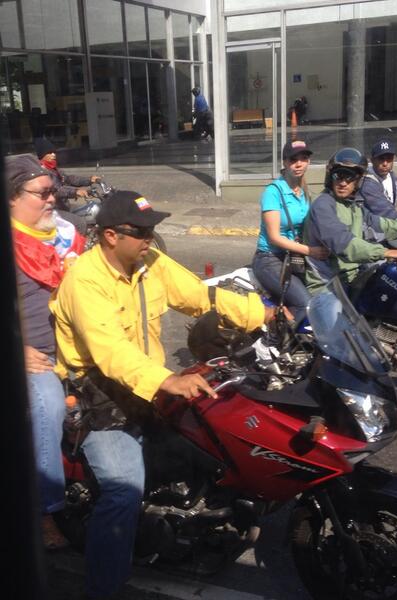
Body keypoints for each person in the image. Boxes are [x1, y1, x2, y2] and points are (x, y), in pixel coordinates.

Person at [51, 190, 276, 599]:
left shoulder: (149, 262)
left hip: (146, 381)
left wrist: (264, 313)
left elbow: (198, 295)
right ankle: (105, 587)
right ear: (109, 236)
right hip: (101, 396)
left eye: (152, 230)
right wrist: (166, 382)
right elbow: (109, 351)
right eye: (139, 232)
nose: (149, 239)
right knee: (123, 492)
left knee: (214, 443)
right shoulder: (84, 280)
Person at [7, 154, 85, 551]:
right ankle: (45, 511)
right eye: (42, 193)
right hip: (35, 357)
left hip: (77, 350)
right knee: (49, 410)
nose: (52, 199)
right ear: (11, 198)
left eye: (53, 191)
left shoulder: (66, 234)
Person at [304, 147, 397, 294]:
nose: (343, 183)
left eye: (349, 178)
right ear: (330, 177)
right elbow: (342, 242)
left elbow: (377, 222)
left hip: (352, 277)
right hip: (327, 286)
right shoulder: (323, 205)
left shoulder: (351, 205)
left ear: (358, 181)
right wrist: (385, 252)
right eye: (338, 176)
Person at [252, 140, 329, 315]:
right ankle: (272, 339)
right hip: (269, 258)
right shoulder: (273, 192)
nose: (299, 164)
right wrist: (310, 250)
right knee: (305, 304)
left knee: (324, 295)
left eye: (303, 158)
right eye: (293, 159)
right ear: (285, 162)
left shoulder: (303, 192)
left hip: (294, 257)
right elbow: (274, 237)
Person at [34, 138, 101, 212]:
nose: (53, 155)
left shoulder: (54, 169)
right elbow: (57, 190)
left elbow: (69, 179)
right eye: (49, 153)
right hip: (53, 210)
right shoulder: (42, 172)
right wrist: (75, 192)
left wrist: (89, 180)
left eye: (54, 152)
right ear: (42, 155)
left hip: (63, 206)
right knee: (80, 222)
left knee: (88, 211)